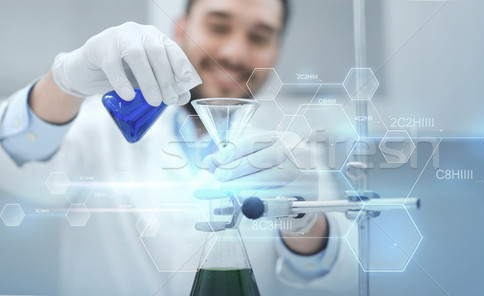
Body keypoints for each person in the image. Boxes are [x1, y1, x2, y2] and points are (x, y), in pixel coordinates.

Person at [0, 0, 356, 295]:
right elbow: (15, 166)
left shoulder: (293, 154)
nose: (235, 52)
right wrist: (63, 83)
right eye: (218, 27)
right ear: (181, 30)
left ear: (276, 49)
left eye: (259, 36)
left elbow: (336, 278)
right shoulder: (100, 127)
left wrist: (304, 219)